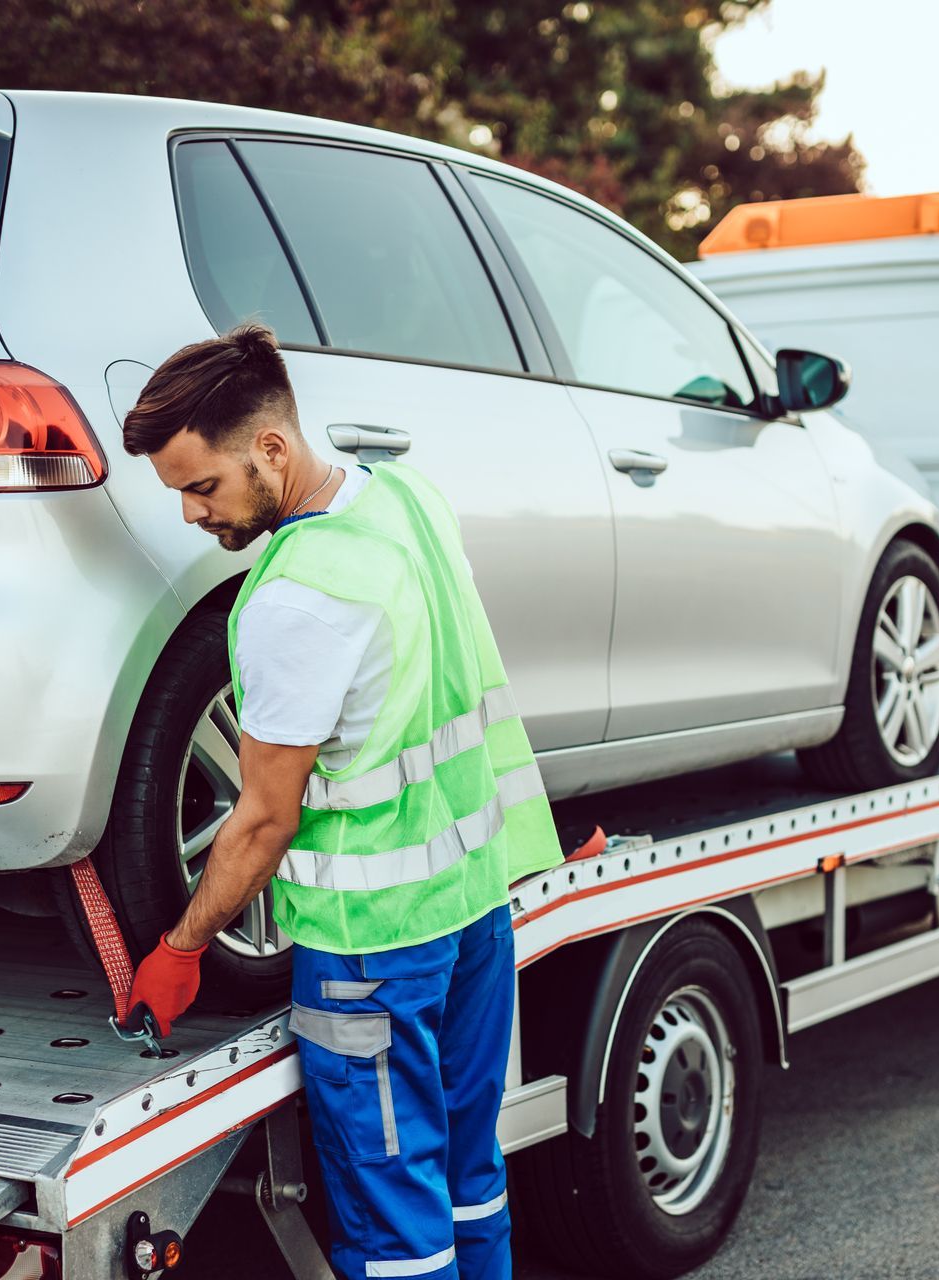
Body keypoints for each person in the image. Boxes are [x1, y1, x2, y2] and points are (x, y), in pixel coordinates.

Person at [119, 324, 562, 1280]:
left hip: (374, 953)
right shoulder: (405, 497)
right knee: (469, 1179)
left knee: (394, 1227)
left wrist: (182, 947)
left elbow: (264, 819)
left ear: (269, 450)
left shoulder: (296, 598)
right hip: (475, 912)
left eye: (203, 487)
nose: (193, 515)